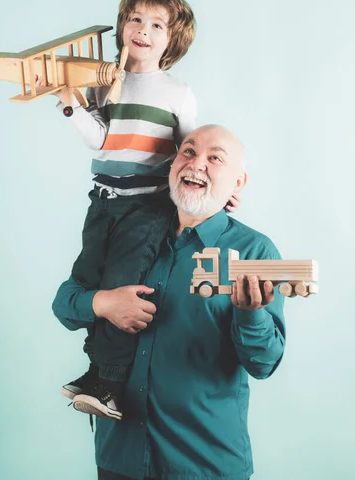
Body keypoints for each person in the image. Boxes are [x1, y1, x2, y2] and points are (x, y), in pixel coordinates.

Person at [53, 124, 285, 480]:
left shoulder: (255, 252)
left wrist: (250, 314)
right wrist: (103, 303)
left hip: (203, 463)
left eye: (215, 158)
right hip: (119, 458)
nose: (196, 164)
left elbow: (264, 364)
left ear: (238, 183)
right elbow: (65, 303)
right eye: (188, 151)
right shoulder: (126, 233)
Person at [53, 0, 226, 421]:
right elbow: (101, 139)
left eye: (156, 24)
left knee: (123, 281)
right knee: (92, 280)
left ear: (172, 40)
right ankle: (96, 370)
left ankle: (110, 382)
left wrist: (216, 186)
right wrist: (70, 105)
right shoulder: (103, 80)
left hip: (148, 206)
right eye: (134, 19)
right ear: (122, 26)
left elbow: (192, 148)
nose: (142, 30)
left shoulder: (177, 92)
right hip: (104, 201)